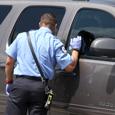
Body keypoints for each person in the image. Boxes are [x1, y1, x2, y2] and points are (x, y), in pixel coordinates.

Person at [4, 13, 81, 115]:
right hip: (40, 88)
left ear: (40, 23)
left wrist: (9, 82)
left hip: (20, 85)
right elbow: (70, 67)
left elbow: (9, 62)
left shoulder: (22, 36)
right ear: (55, 26)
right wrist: (75, 49)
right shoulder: (55, 42)